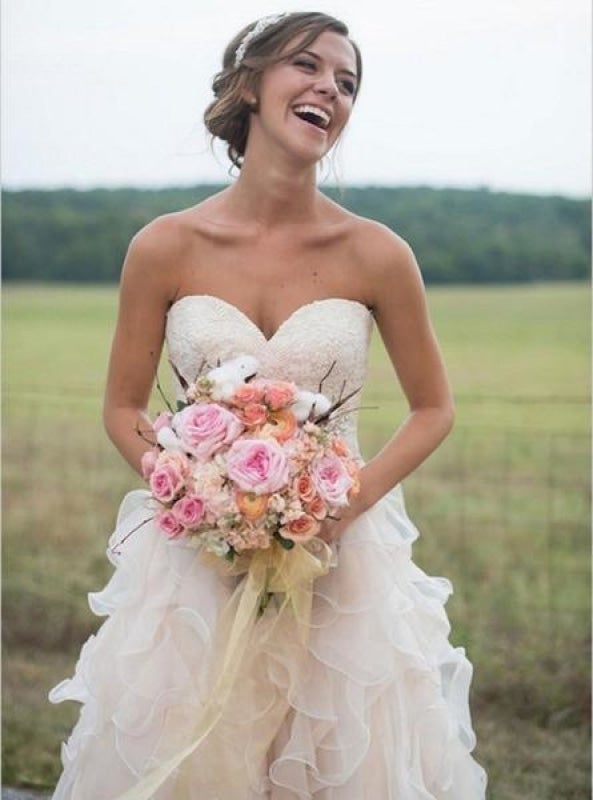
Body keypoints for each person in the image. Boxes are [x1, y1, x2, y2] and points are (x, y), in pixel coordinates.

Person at [49, 11, 487, 799]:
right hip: (195, 567)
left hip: (340, 562)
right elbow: (121, 408)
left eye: (347, 82)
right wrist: (194, 494)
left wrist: (340, 507)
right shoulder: (163, 246)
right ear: (250, 85)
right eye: (308, 67)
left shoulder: (378, 253)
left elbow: (433, 409)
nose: (330, 88)